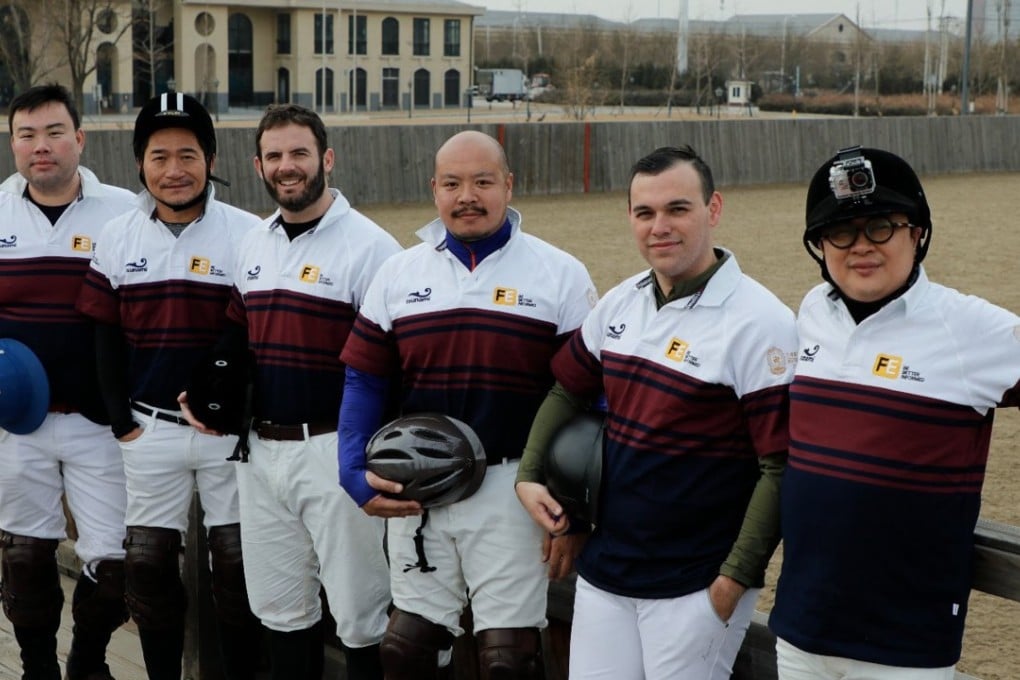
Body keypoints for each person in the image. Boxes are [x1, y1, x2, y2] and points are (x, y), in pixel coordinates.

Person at [515, 145, 798, 680]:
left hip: (694, 585)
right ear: (630, 218)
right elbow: (566, 390)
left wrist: (733, 581)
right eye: (645, 213)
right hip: (606, 573)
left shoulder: (763, 323)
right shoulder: (619, 302)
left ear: (713, 209)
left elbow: (779, 467)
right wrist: (529, 476)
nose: (659, 227)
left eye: (677, 209)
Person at [338, 129, 598, 679]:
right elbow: (364, 379)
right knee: (406, 648)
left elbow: (587, 402)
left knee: (508, 657)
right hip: (418, 487)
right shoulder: (399, 273)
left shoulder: (561, 274)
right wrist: (352, 470)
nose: (467, 196)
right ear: (434, 189)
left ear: (509, 185)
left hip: (515, 488)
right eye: (452, 183)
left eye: (483, 182)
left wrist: (574, 512)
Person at [767, 146, 1020, 678]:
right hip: (800, 629)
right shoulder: (813, 311)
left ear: (917, 233)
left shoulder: (970, 328)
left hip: (906, 643)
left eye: (881, 225)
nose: (861, 247)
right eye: (841, 232)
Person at [181, 103, 399, 679]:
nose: (287, 166)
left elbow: (392, 363)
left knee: (359, 615)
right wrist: (209, 393)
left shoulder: (372, 248)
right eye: (274, 156)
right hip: (259, 455)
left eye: (299, 153)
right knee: (280, 610)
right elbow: (236, 334)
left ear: (326, 158)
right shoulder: (255, 243)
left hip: (335, 451)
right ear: (258, 165)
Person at [75, 92, 263, 680]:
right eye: (159, 156)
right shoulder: (118, 236)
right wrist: (121, 423)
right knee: (150, 570)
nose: (174, 169)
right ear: (139, 164)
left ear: (210, 157)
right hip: (148, 430)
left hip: (227, 437)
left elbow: (261, 337)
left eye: (187, 154)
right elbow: (103, 338)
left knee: (235, 572)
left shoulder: (250, 235)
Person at [0, 83, 136, 680]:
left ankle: (88, 660)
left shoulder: (127, 212)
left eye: (54, 132)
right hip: (17, 421)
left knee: (114, 557)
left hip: (99, 419)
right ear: (13, 146)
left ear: (79, 138)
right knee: (25, 553)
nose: (41, 147)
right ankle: (35, 668)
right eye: (26, 136)